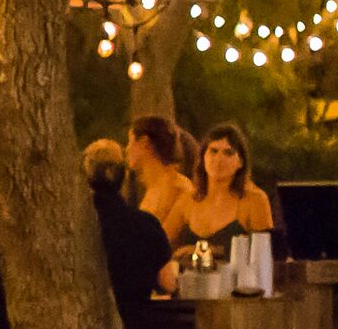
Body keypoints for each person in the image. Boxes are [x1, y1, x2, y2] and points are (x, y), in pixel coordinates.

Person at [81, 140, 175, 310]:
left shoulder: (74, 227)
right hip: (137, 324)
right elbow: (168, 283)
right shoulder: (146, 225)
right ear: (123, 176)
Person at [173, 122, 271, 252]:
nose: (219, 159)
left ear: (240, 162)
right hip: (188, 272)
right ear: (203, 157)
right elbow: (158, 240)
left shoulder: (255, 200)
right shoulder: (187, 200)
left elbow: (265, 253)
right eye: (213, 151)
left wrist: (202, 250)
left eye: (228, 153)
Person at [126, 116, 193, 244]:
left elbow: (161, 243)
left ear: (145, 143)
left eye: (130, 141)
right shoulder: (152, 188)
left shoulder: (178, 187)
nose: (127, 148)